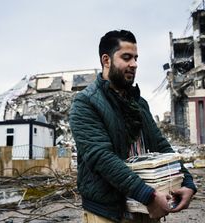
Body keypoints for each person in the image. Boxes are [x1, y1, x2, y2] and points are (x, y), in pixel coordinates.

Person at [69, 30, 196, 223]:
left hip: (144, 209)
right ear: (106, 60)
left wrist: (187, 181)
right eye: (126, 57)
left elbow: (161, 147)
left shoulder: (139, 103)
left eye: (136, 58)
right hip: (108, 213)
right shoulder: (86, 103)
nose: (134, 64)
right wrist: (149, 196)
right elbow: (101, 157)